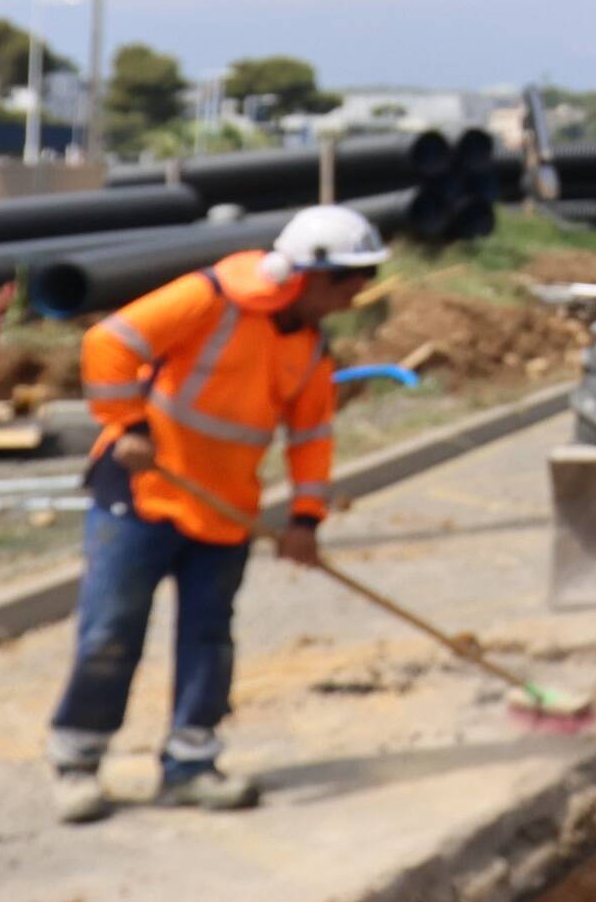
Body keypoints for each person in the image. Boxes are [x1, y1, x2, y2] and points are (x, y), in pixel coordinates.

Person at [50, 200, 385, 820]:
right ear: (307, 275)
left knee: (208, 638)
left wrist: (306, 520)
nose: (355, 294)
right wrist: (125, 423)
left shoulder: (310, 352)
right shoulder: (210, 298)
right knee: (110, 632)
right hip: (143, 491)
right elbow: (109, 344)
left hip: (226, 508)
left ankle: (191, 761)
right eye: (349, 280)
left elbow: (311, 439)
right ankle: (77, 761)